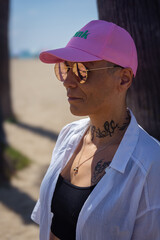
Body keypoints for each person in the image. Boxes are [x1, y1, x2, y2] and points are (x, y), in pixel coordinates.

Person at [31, 20, 160, 240]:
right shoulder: (68, 135)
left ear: (124, 78)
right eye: (65, 68)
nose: (68, 82)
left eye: (82, 70)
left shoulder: (150, 162)